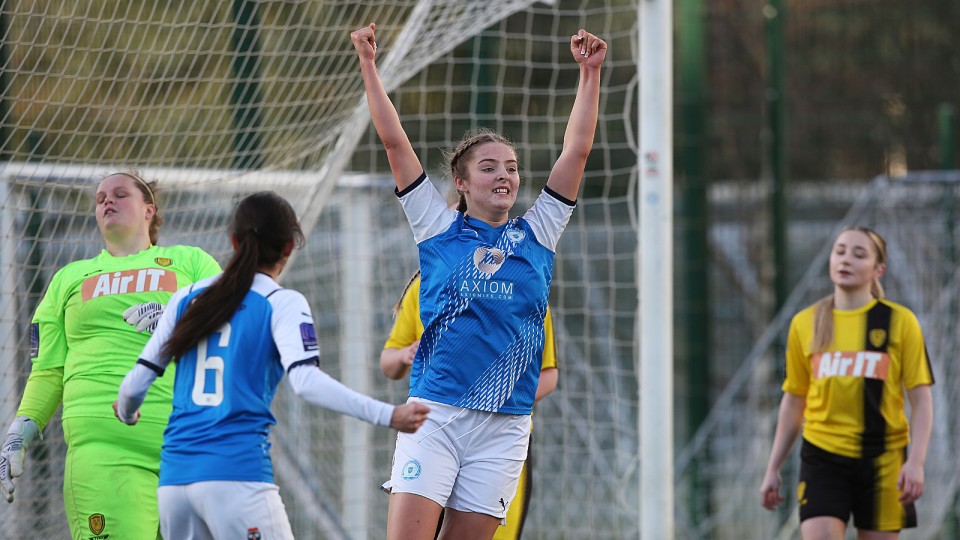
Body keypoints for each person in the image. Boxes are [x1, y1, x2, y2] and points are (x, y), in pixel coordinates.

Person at [351, 21, 605, 540]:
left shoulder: (538, 234)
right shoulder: (437, 228)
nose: (504, 175)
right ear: (461, 182)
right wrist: (369, 65)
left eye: (511, 167)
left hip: (506, 427)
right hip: (436, 415)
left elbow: (576, 151)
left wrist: (590, 74)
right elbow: (394, 143)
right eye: (489, 168)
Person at [113, 190, 430, 539]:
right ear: (289, 247)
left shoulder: (186, 298)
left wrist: (127, 412)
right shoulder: (281, 302)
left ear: (234, 241)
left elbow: (133, 386)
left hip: (175, 484)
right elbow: (306, 382)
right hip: (237, 477)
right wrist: (388, 414)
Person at [0, 172, 221, 539]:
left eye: (120, 194)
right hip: (104, 450)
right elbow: (49, 370)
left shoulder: (192, 262)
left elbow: (231, 326)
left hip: (191, 446)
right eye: (100, 198)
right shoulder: (68, 278)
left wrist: (176, 320)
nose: (107, 201)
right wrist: (18, 432)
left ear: (149, 210)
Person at [759, 226, 935, 539]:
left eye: (859, 254)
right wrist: (773, 467)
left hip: (884, 459)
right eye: (839, 251)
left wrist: (916, 462)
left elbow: (921, 400)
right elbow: (794, 399)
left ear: (878, 269)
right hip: (822, 457)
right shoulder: (805, 323)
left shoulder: (900, 321)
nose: (846, 259)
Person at [381, 270, 559, 539]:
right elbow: (389, 362)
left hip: (501, 440)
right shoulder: (427, 282)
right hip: (435, 432)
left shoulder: (528, 286)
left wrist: (494, 399)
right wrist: (405, 354)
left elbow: (548, 375)